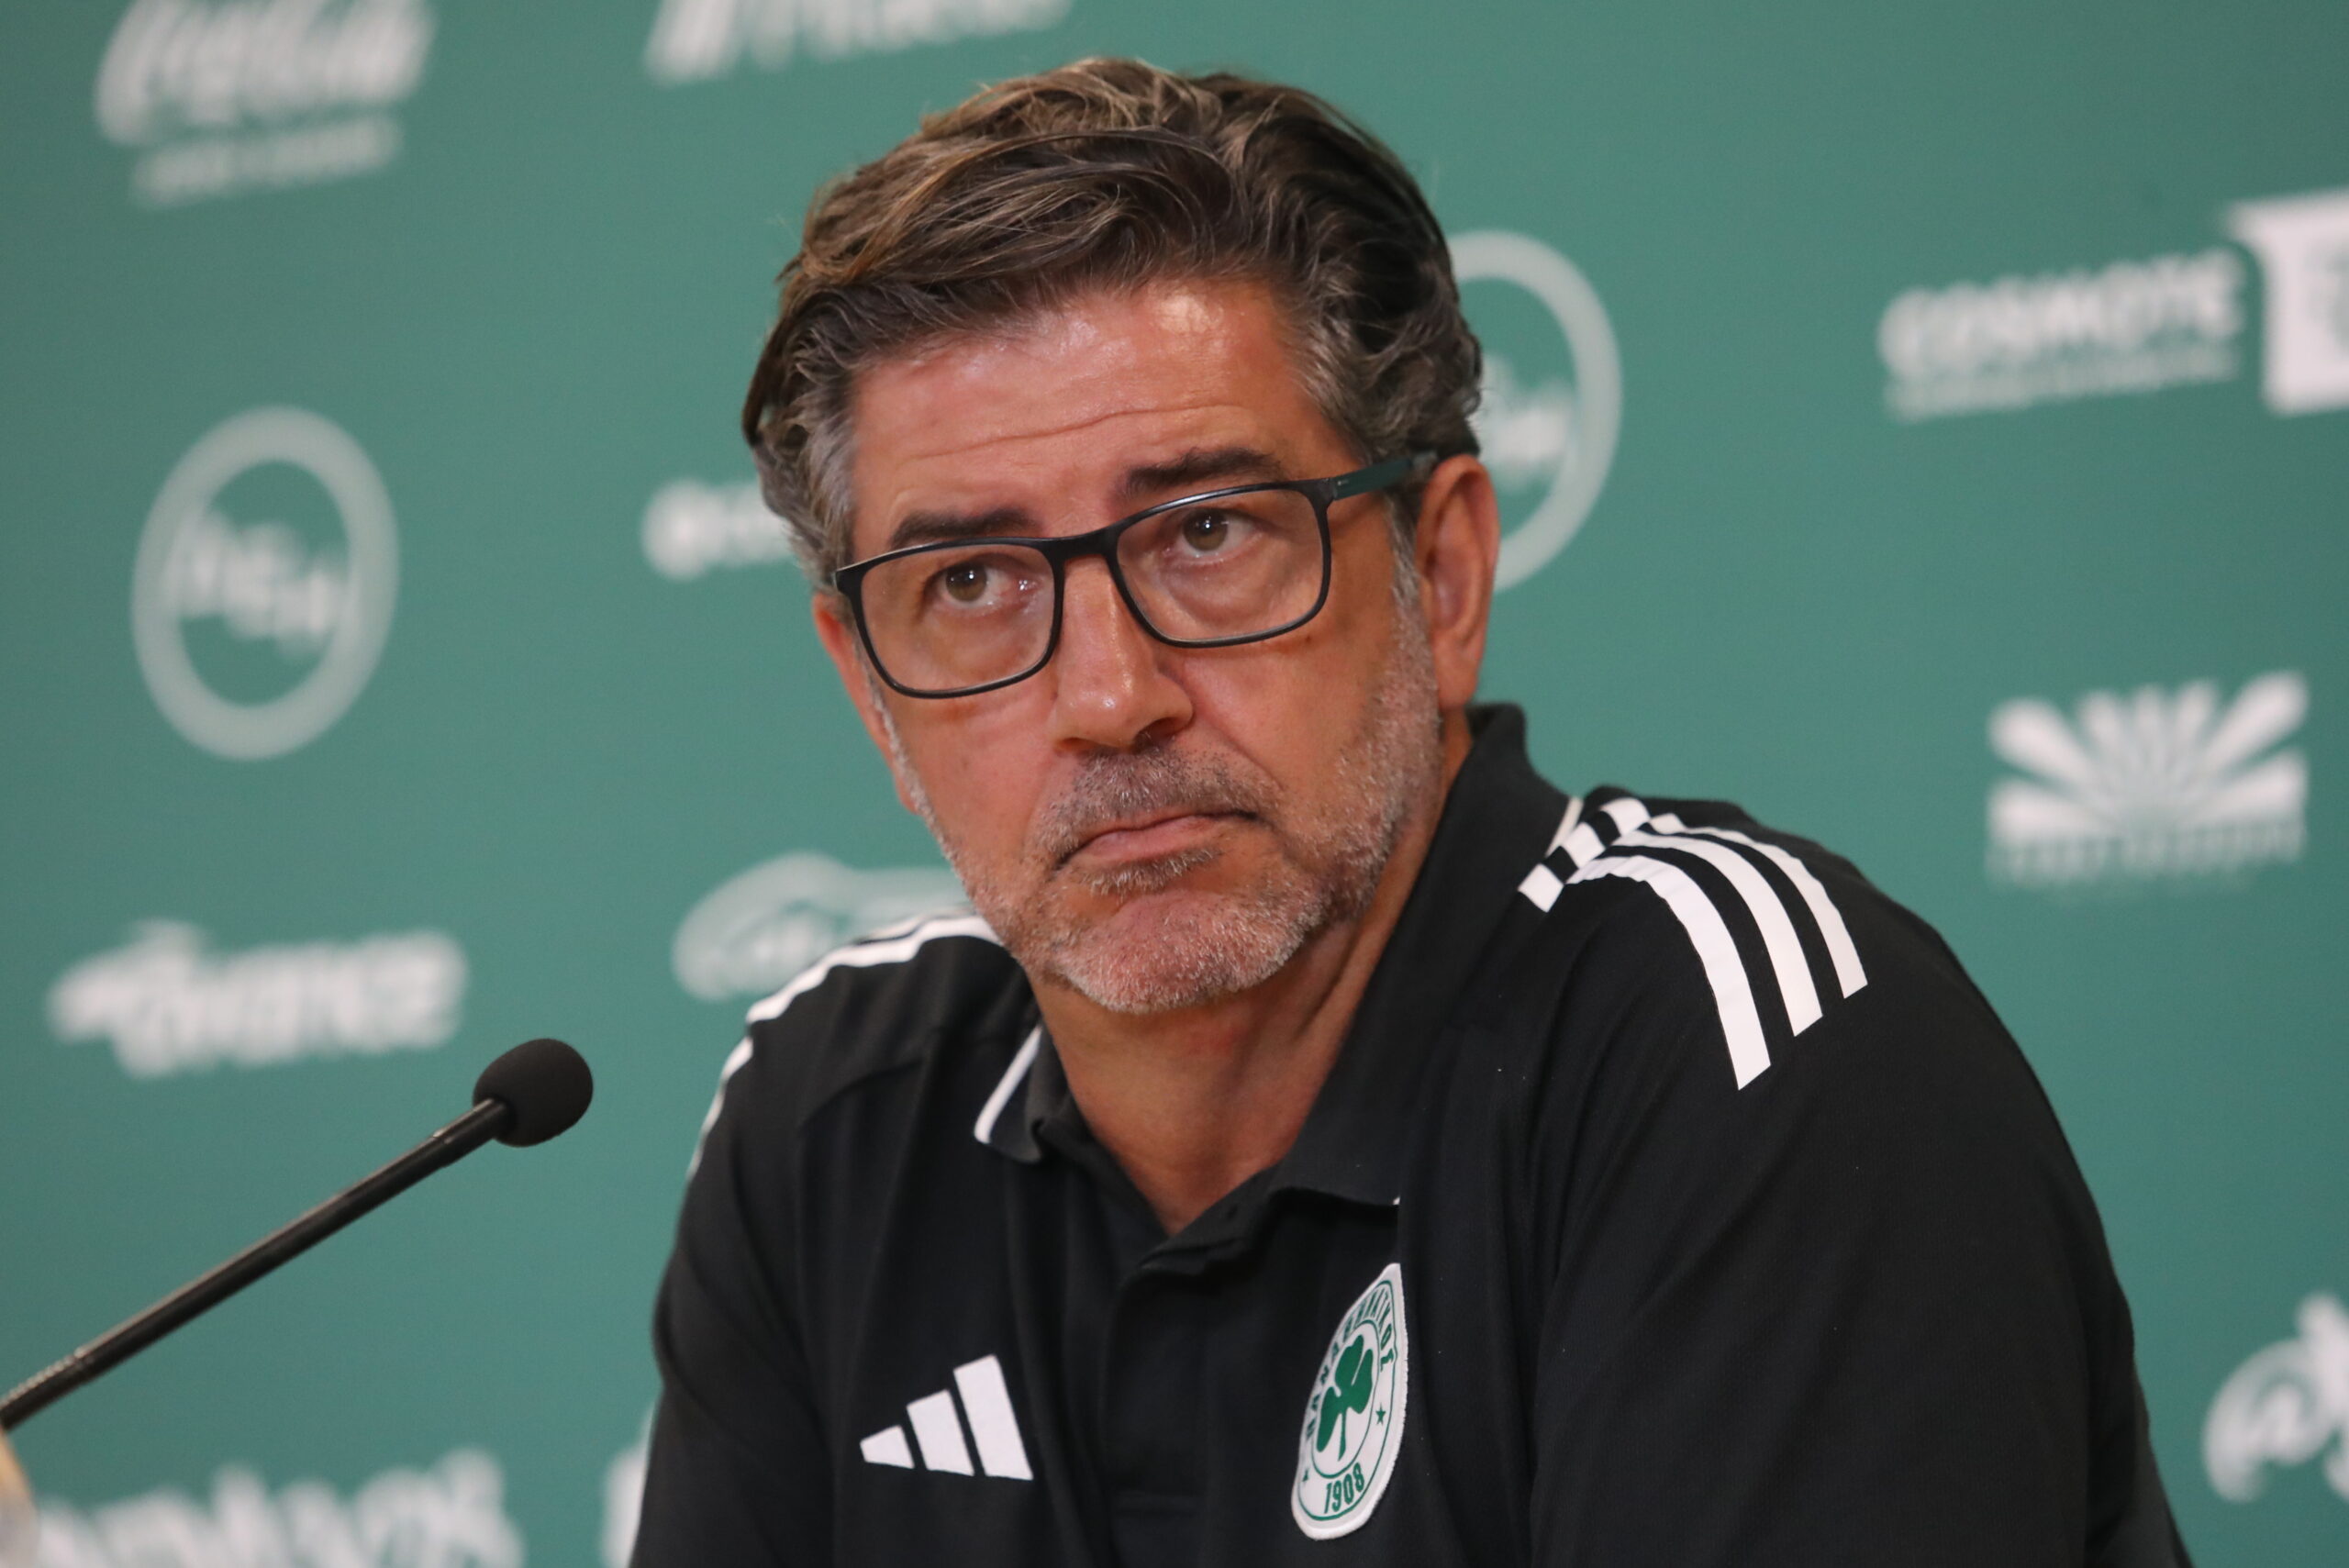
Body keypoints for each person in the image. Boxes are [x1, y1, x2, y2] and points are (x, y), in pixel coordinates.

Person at [632, 57, 2191, 1568]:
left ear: (1439, 576)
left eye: (1207, 532)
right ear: (869, 687)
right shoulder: (837, 1123)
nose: (1108, 695)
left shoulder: (1744, 1048)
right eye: (971, 581)